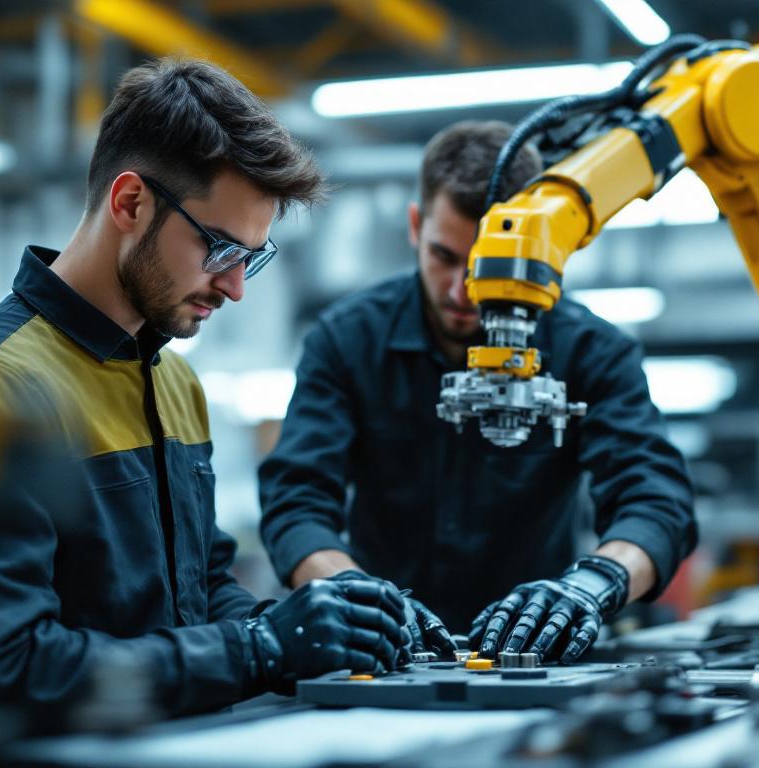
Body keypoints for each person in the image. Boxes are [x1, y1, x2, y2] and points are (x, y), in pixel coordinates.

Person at [0, 58, 407, 765]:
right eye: (220, 249)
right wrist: (257, 649)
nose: (235, 287)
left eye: (251, 258)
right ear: (130, 204)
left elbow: (202, 590)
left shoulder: (173, 382)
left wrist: (318, 627)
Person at [258, 120, 697, 663]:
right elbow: (295, 502)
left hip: (540, 659)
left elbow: (656, 499)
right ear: (416, 226)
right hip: (384, 656)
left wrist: (592, 586)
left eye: (487, 263)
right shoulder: (347, 341)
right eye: (445, 256)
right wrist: (359, 597)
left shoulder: (593, 351)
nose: (463, 290)